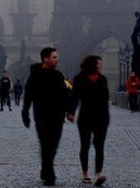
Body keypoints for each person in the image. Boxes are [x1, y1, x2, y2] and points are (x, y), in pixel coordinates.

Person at [21, 47, 69, 186]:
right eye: (54, 57)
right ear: (46, 59)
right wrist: (25, 112)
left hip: (57, 116)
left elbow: (65, 94)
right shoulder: (35, 75)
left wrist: (68, 110)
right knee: (45, 144)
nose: (57, 59)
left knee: (53, 145)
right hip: (41, 115)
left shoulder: (59, 75)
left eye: (57, 57)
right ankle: (50, 174)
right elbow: (28, 94)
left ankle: (45, 168)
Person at [67, 55, 110, 187]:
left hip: (101, 117)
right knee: (85, 145)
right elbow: (74, 97)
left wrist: (106, 117)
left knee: (99, 146)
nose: (100, 65)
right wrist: (71, 112)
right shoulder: (79, 79)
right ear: (92, 64)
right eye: (98, 63)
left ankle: (97, 174)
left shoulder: (102, 79)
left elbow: (105, 99)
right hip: (85, 117)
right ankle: (85, 173)